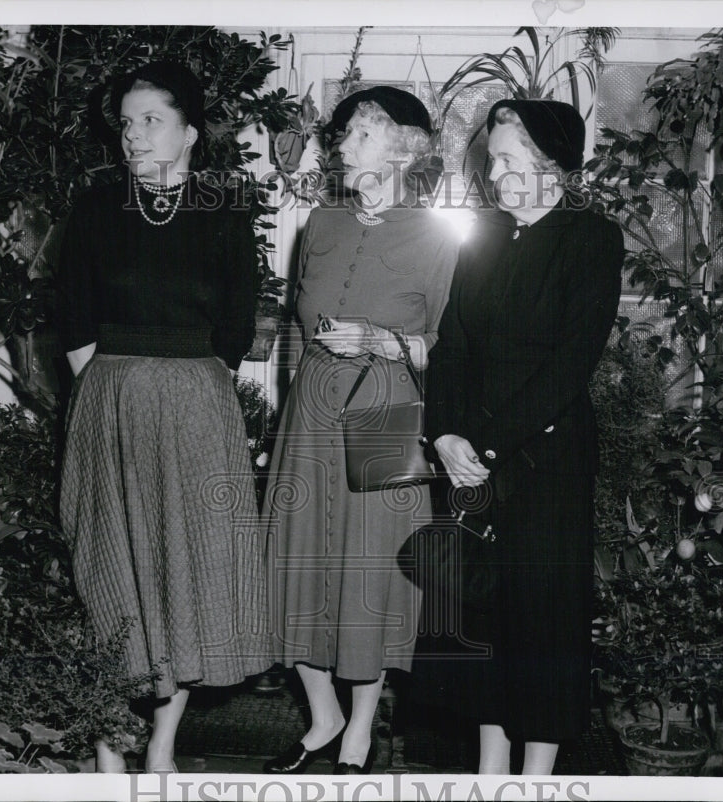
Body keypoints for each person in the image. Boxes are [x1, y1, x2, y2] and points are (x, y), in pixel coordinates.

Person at [58, 60, 270, 773]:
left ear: (189, 132)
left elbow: (237, 328)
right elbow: (73, 315)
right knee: (110, 569)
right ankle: (107, 743)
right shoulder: (94, 207)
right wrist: (115, 388)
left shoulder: (225, 209)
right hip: (110, 401)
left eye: (151, 120)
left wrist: (187, 392)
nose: (134, 135)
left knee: (189, 571)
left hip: (197, 407)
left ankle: (162, 748)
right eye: (126, 122)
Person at [423, 99, 624, 775]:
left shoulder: (590, 238)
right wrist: (445, 436)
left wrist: (482, 450)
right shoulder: (482, 233)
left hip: (545, 459)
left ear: (555, 167)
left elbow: (571, 365)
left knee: (543, 620)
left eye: (510, 160)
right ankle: (489, 770)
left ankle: (534, 779)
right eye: (494, 159)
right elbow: (451, 345)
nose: (496, 173)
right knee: (479, 616)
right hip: (469, 457)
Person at [262, 87, 459, 775]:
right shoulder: (321, 223)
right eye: (342, 134)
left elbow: (451, 349)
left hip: (385, 406)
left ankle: (359, 733)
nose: (341, 146)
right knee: (294, 563)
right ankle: (323, 716)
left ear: (404, 148)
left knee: (368, 572)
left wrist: (381, 338)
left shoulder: (439, 239)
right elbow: (294, 323)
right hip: (311, 412)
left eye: (360, 135)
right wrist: (292, 402)